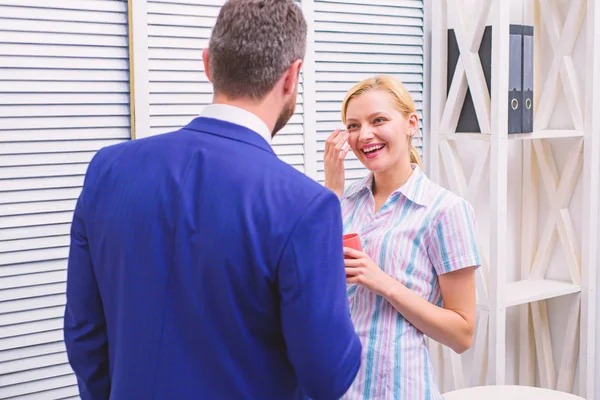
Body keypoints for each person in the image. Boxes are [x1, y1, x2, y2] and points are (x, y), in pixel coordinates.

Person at [63, 1, 361, 399]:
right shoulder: (306, 207)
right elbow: (329, 375)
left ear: (208, 64)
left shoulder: (108, 169)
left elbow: (84, 334)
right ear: (292, 77)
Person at [323, 75, 480, 400]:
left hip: (398, 389)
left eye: (378, 120)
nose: (364, 135)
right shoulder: (341, 203)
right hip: (335, 386)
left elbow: (462, 334)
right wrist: (330, 196)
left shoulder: (445, 211)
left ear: (411, 123)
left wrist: (384, 283)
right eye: (353, 126)